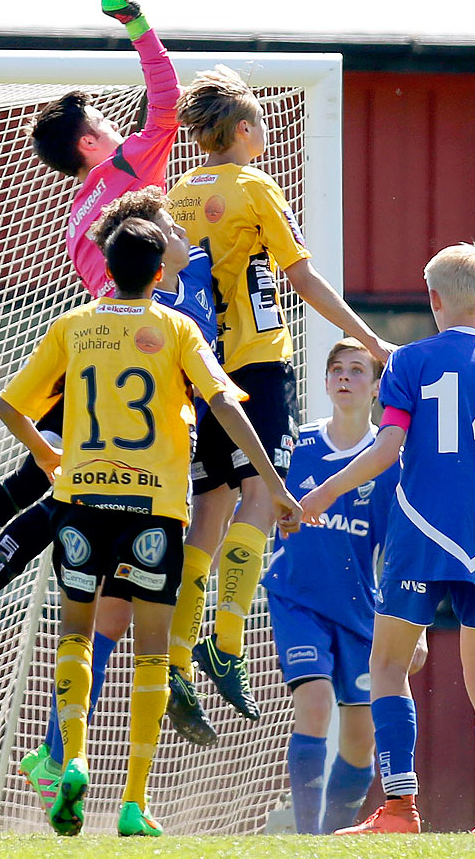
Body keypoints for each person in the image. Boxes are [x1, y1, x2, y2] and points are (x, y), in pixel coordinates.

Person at [0, 0, 182, 679]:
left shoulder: (78, 212)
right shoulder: (123, 172)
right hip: (128, 356)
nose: (124, 127)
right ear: (91, 143)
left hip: (85, 352)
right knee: (63, 498)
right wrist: (137, 25)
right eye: (108, 123)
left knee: (33, 478)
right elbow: (168, 97)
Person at [0, 217, 299, 837]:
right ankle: (134, 804)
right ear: (162, 274)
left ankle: (72, 758)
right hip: (157, 507)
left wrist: (48, 455)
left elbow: (9, 405)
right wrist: (271, 483)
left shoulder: (72, 327)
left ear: (107, 270)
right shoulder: (179, 327)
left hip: (83, 499)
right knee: (154, 652)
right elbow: (221, 403)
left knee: (77, 635)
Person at [164, 65, 393, 735]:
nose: (267, 132)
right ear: (242, 130)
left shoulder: (180, 190)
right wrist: (368, 338)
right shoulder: (255, 186)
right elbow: (302, 276)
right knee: (263, 493)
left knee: (208, 512)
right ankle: (226, 641)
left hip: (198, 367)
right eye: (261, 122)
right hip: (257, 364)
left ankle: (178, 656)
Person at [296, 243, 475, 834]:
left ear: (433, 298)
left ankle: (400, 809)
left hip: (420, 530)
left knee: (387, 665)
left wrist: (325, 492)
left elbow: (387, 449)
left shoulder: (410, 361)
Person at [263, 338, 418, 834]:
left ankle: (333, 834)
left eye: (357, 370)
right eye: (337, 370)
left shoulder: (390, 460)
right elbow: (259, 505)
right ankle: (307, 836)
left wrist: (410, 627)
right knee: (313, 702)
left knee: (358, 740)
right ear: (326, 381)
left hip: (358, 609)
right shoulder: (298, 445)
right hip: (295, 596)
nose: (345, 377)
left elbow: (400, 552)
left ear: (376, 387)